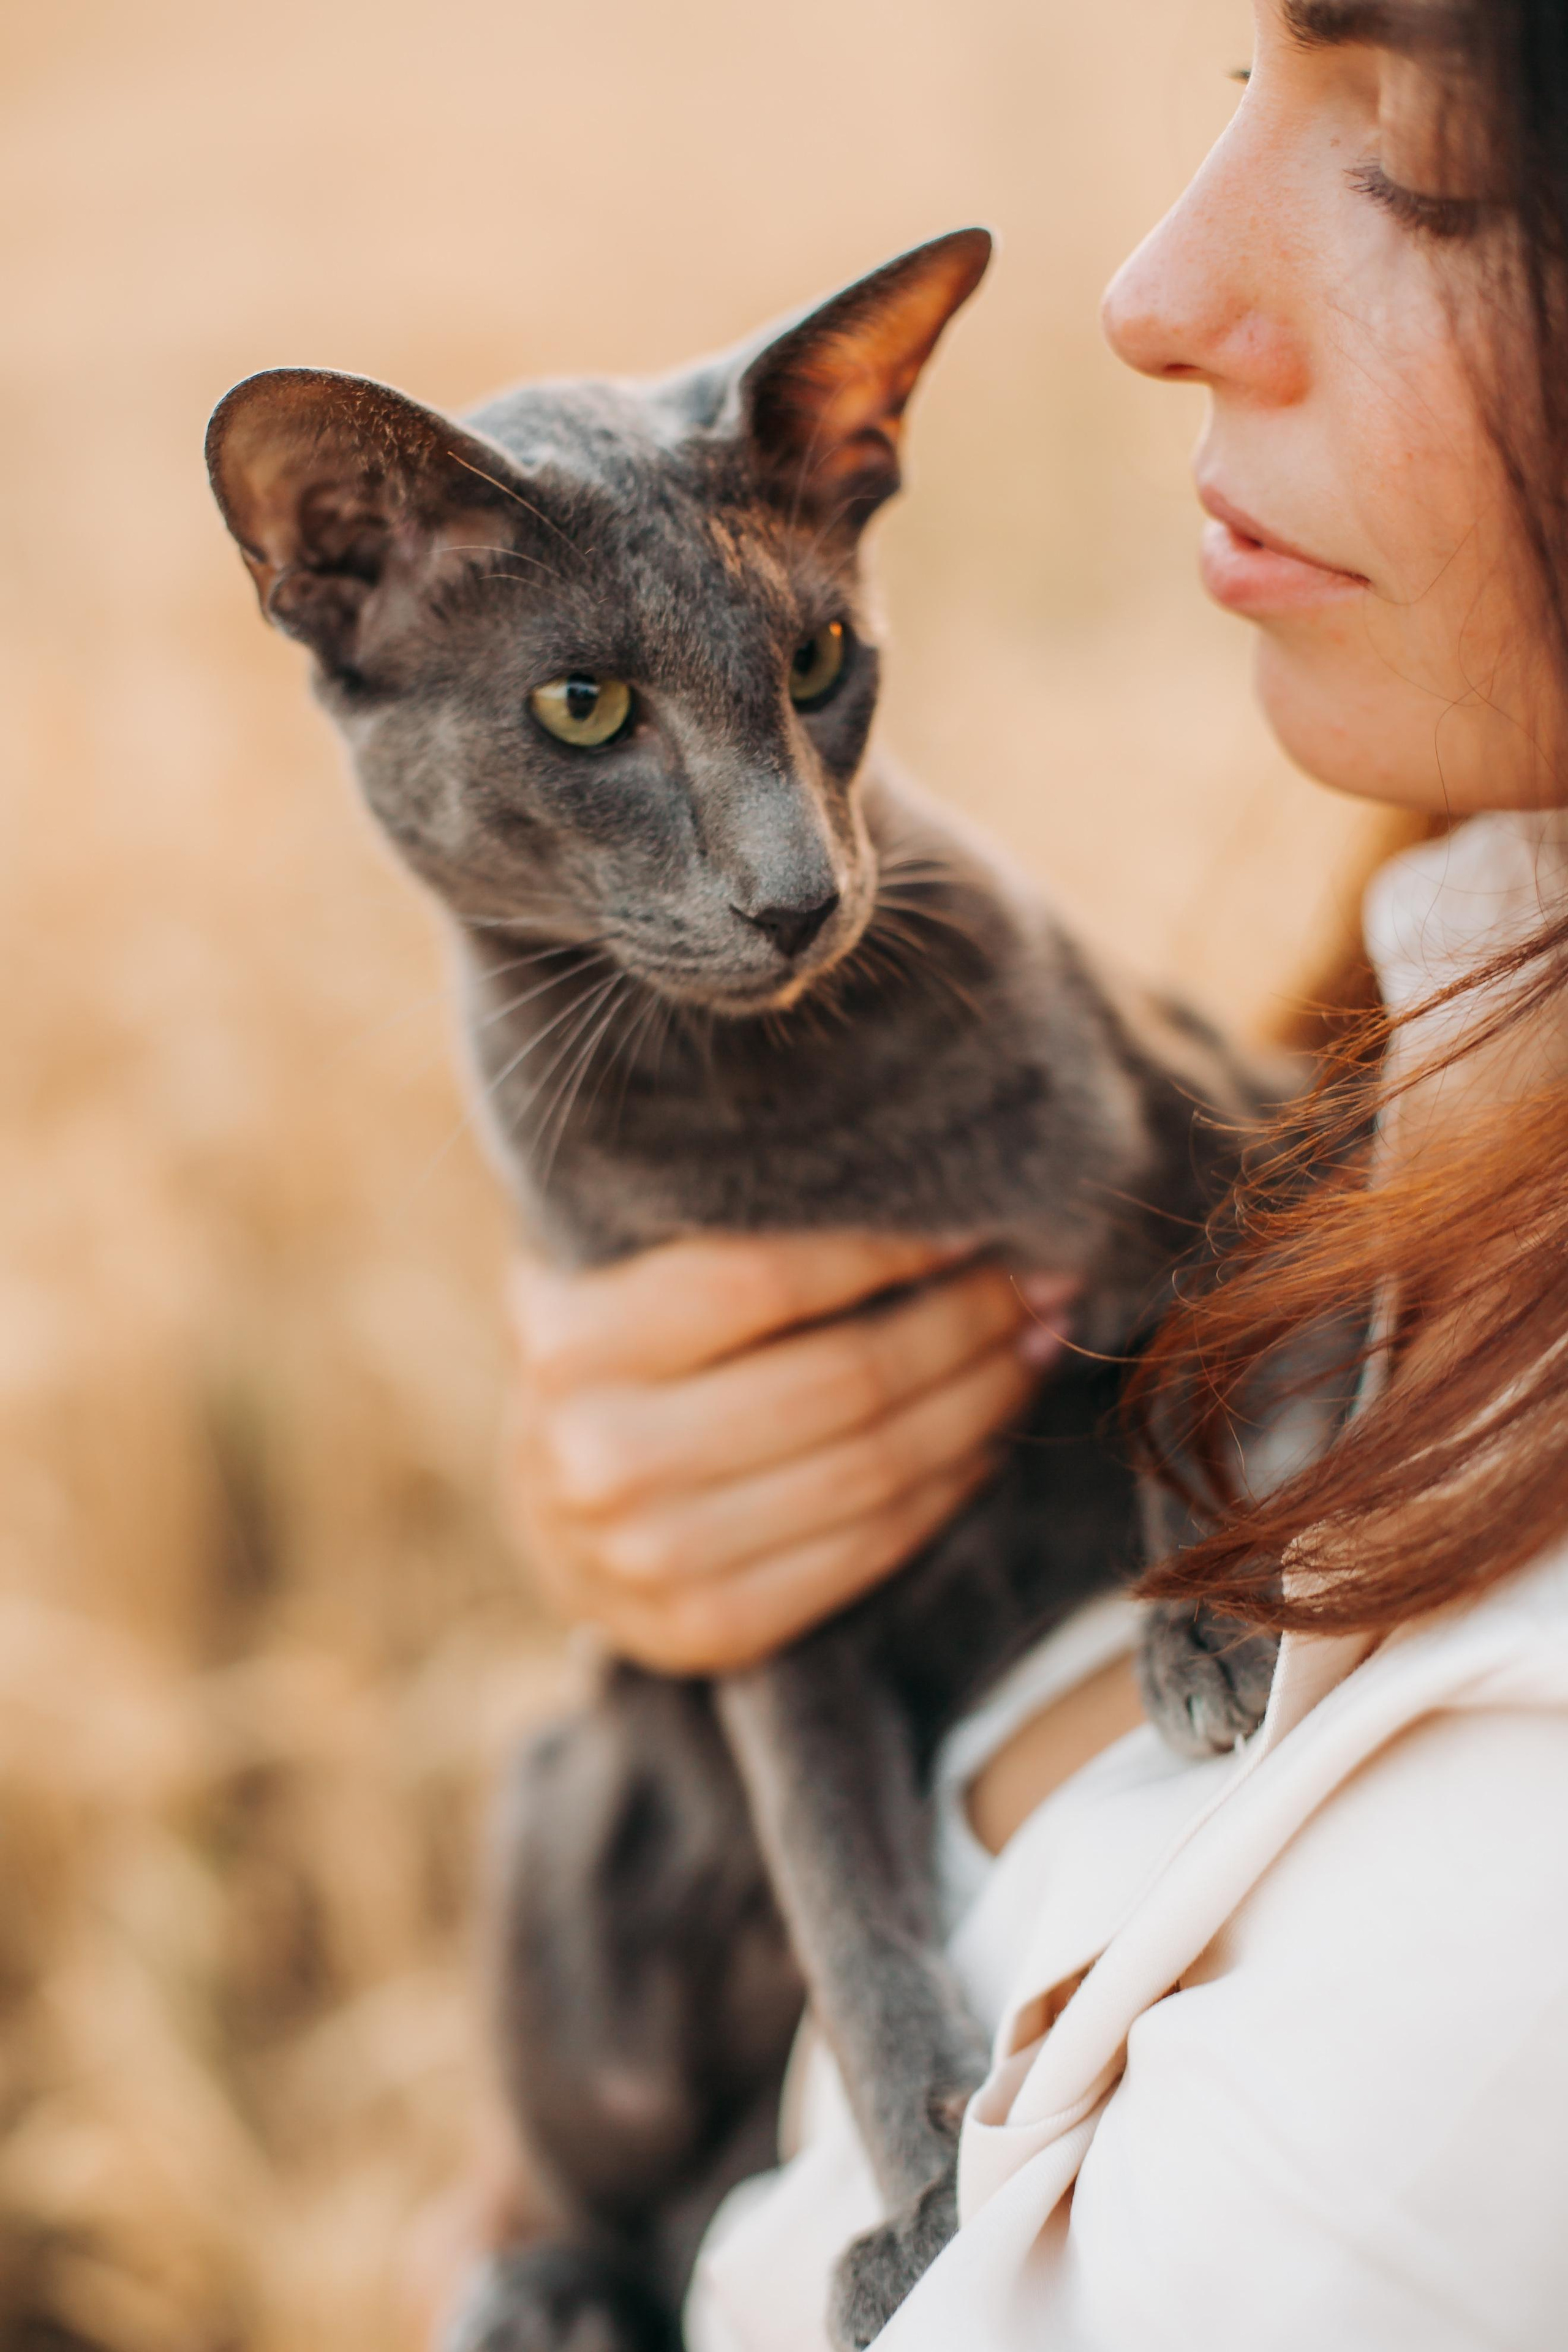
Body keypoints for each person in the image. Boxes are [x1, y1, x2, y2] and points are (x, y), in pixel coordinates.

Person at [500, 0, 1568, 2340]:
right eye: (1235, 86)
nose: (1150, 291)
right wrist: (688, 1594)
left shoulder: (1521, 1848)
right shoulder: (1448, 1002)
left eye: (1422, 153)